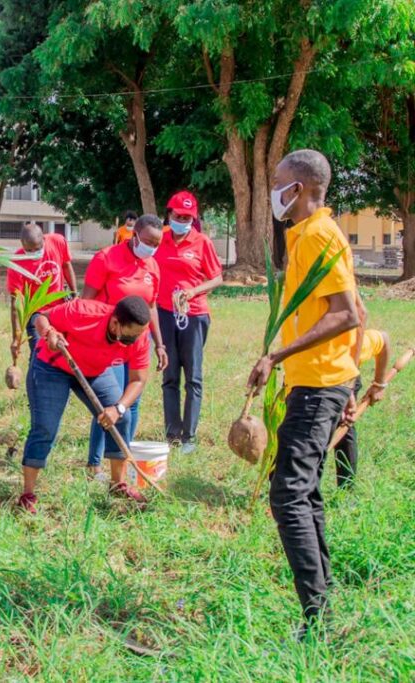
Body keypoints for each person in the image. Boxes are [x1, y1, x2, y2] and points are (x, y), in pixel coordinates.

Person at [246, 148, 361, 637]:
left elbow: (347, 313)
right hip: (318, 381)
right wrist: (351, 379)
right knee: (305, 491)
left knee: (288, 494)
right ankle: (322, 605)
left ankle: (317, 620)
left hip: (316, 385)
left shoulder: (317, 235)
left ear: (299, 188)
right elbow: (358, 304)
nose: (273, 189)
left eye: (277, 180)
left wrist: (277, 355)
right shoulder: (309, 234)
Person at [18, 297, 152, 513]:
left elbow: (138, 380)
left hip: (94, 371)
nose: (137, 338)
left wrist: (117, 409)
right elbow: (40, 318)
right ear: (115, 323)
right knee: (45, 427)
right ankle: (28, 494)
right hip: (52, 367)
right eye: (131, 334)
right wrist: (49, 332)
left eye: (140, 333)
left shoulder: (140, 336)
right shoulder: (83, 311)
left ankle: (117, 484)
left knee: (123, 418)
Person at [80, 214, 167, 477]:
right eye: (149, 241)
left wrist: (160, 344)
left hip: (139, 343)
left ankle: (123, 460)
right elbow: (87, 301)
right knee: (110, 402)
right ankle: (94, 465)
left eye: (157, 243)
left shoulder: (152, 266)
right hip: (111, 342)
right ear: (135, 235)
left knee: (131, 402)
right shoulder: (106, 258)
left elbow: (151, 307)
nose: (152, 247)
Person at [154, 191, 223, 454]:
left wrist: (193, 292)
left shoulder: (202, 242)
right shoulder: (159, 239)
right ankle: (172, 432)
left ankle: (189, 437)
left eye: (187, 217)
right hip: (164, 314)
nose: (182, 220)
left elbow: (217, 278)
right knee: (170, 375)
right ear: (169, 215)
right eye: (177, 216)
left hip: (193, 316)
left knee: (192, 376)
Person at [7, 222, 77, 363]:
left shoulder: (57, 241)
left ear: (44, 240)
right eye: (29, 250)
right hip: (36, 313)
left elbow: (66, 266)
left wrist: (74, 294)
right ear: (22, 244)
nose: (33, 253)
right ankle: (35, 381)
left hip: (60, 307)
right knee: (39, 353)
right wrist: (16, 338)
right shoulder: (17, 262)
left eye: (37, 249)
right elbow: (16, 304)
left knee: (65, 350)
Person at [333, 328, 389, 489]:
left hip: (344, 377)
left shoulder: (353, 345)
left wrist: (379, 383)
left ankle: (346, 488)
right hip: (302, 381)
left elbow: (383, 339)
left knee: (343, 426)